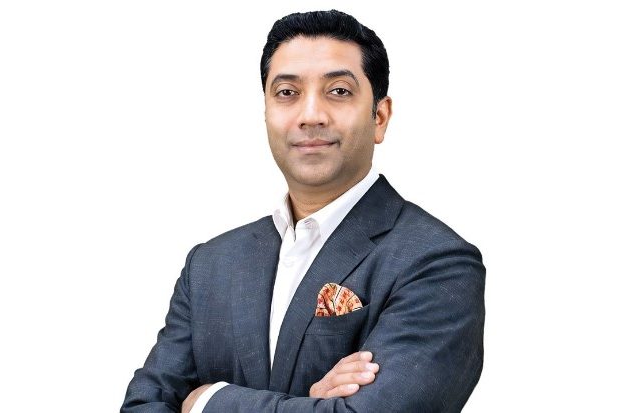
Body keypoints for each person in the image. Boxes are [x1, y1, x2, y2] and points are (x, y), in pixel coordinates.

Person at [122, 9, 485, 413]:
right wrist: (308, 405)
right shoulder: (209, 265)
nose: (311, 115)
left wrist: (206, 400)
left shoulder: (436, 262)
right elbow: (142, 405)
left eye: (339, 91)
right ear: (266, 112)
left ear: (379, 117)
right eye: (287, 93)